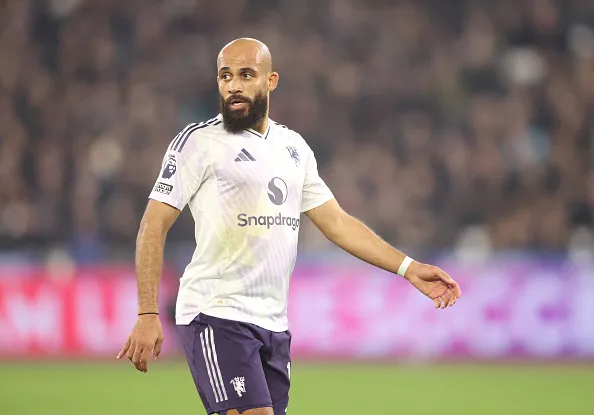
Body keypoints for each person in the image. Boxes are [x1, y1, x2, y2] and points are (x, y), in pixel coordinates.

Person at [117, 38, 461, 415]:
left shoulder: (293, 147)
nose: (234, 85)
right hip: (215, 313)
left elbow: (337, 223)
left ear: (271, 81)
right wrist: (147, 314)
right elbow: (153, 224)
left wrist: (408, 268)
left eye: (246, 75)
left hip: (273, 324)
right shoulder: (199, 142)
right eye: (225, 76)